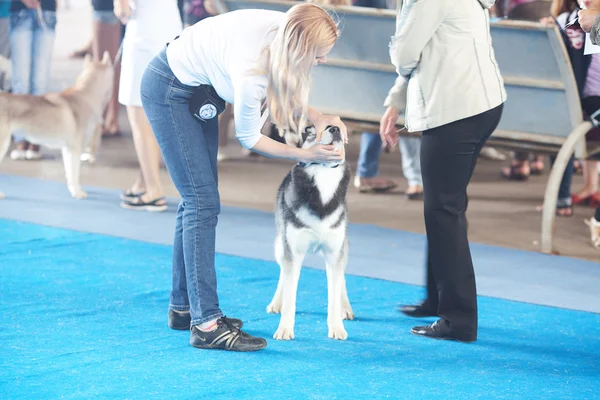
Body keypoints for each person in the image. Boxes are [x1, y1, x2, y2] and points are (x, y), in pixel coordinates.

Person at [140, 3, 346, 352]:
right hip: (169, 89)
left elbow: (286, 85)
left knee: (196, 199)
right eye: (319, 55)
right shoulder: (252, 72)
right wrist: (306, 154)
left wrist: (317, 116)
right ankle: (206, 324)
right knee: (202, 203)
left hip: (194, 87)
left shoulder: (287, 30)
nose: (323, 61)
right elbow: (249, 137)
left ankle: (184, 307)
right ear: (302, 49)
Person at [380, 0, 507, 343]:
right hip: (479, 103)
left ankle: (458, 319)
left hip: (457, 110)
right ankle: (438, 298)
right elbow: (423, 52)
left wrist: (399, 46)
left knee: (443, 209)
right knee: (443, 207)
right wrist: (395, 101)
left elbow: (405, 52)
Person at [114, 0, 182, 211]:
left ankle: (154, 190)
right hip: (172, 32)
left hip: (143, 36)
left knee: (141, 120)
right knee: (159, 115)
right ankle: (143, 182)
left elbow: (122, 10)